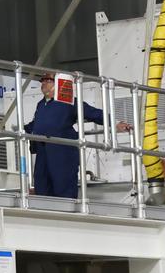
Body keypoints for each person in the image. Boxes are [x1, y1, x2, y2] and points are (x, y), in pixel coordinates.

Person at [26, 72, 125, 200]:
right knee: (42, 186)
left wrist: (115, 123)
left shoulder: (69, 102)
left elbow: (92, 113)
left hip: (62, 151)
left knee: (63, 186)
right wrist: (21, 130)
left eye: (48, 81)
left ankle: (66, 212)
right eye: (42, 81)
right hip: (43, 151)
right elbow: (36, 124)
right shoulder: (41, 104)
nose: (43, 83)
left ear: (57, 84)